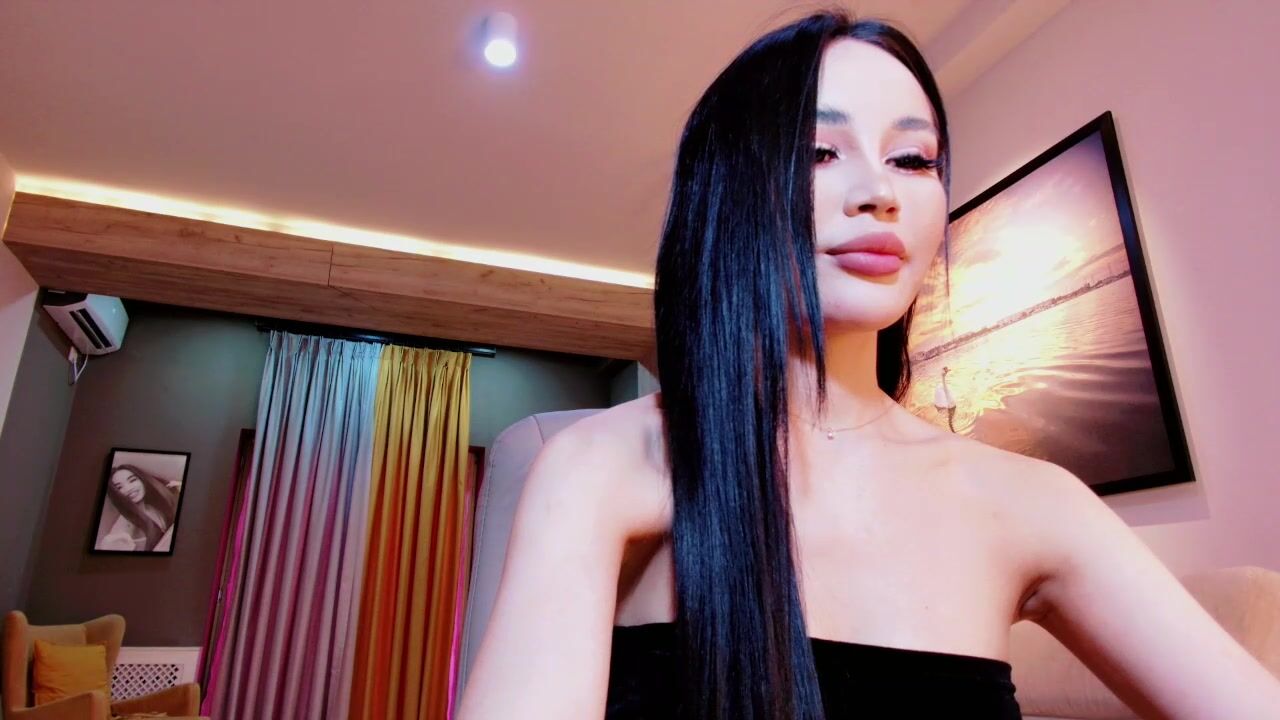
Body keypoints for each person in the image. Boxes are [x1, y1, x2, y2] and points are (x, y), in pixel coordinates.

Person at [457, 11, 1280, 719]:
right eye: (821, 151)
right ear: (730, 191)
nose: (879, 192)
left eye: (913, 160)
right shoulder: (603, 468)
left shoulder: (1034, 503)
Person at [99, 464, 180, 552]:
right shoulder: (125, 527)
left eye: (132, 480)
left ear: (142, 480)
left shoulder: (153, 507)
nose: (128, 489)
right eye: (119, 487)